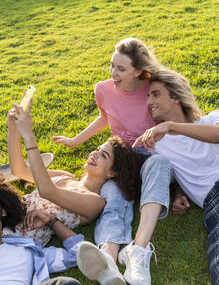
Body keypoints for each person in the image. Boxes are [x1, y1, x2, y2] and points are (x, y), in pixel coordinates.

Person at [76, 69, 218, 285]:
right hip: (213, 202)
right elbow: (161, 172)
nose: (149, 101)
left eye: (155, 94)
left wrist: (171, 127)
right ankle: (122, 253)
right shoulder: (156, 144)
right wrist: (179, 191)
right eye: (148, 96)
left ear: (175, 96)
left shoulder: (211, 119)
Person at [52, 37, 166, 264]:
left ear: (138, 70)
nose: (113, 72)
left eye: (121, 69)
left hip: (152, 156)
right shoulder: (103, 89)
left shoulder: (154, 90)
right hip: (120, 155)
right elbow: (105, 117)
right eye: (112, 65)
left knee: (118, 193)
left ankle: (124, 253)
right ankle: (108, 256)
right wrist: (76, 140)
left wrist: (181, 191)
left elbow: (176, 128)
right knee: (113, 197)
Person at [5, 103, 144, 247]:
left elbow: (47, 191)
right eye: (97, 149)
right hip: (9, 209)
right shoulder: (66, 176)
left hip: (14, 236)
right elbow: (20, 170)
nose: (95, 154)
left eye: (103, 155)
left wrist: (28, 136)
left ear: (112, 172)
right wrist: (13, 129)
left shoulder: (96, 203)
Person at [0, 183, 82, 285]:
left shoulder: (28, 250)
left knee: (67, 283)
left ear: (3, 211)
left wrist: (51, 221)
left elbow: (79, 254)